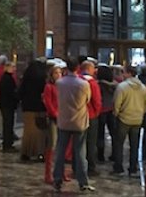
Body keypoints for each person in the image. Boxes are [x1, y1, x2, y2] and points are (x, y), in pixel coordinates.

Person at [52, 58, 95, 193]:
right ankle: (83, 182)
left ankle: (57, 179)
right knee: (80, 152)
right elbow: (87, 99)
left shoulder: (60, 83)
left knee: (60, 151)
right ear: (77, 68)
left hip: (64, 120)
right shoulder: (83, 84)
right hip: (79, 121)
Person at [113, 64, 146, 177]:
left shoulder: (122, 87)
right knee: (134, 145)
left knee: (119, 144)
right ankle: (133, 168)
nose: (122, 74)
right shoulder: (143, 87)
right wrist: (140, 112)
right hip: (137, 119)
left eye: (123, 72)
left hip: (124, 118)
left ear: (129, 73)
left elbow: (117, 103)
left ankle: (118, 167)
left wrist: (116, 113)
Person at [17, 57, 48, 161]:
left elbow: (20, 92)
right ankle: (40, 152)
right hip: (40, 107)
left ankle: (26, 152)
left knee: (28, 131)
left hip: (27, 107)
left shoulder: (26, 78)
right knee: (40, 132)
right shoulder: (42, 78)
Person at [80, 60, 103, 176]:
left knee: (78, 142)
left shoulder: (77, 80)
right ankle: (91, 167)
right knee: (91, 142)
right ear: (89, 69)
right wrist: (96, 112)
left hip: (77, 115)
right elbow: (97, 101)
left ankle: (78, 166)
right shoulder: (92, 83)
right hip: (90, 115)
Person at [42, 61, 62, 184]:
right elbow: (48, 103)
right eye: (56, 72)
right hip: (53, 118)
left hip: (62, 118)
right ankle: (48, 173)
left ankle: (60, 172)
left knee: (61, 146)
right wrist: (55, 114)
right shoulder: (49, 87)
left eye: (60, 72)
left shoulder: (61, 86)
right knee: (52, 145)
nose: (58, 75)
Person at [0, 61, 19, 152]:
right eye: (13, 67)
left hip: (7, 104)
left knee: (9, 124)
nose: (15, 69)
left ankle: (8, 143)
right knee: (7, 124)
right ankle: (7, 145)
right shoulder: (7, 79)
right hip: (7, 105)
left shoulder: (7, 78)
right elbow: (9, 92)